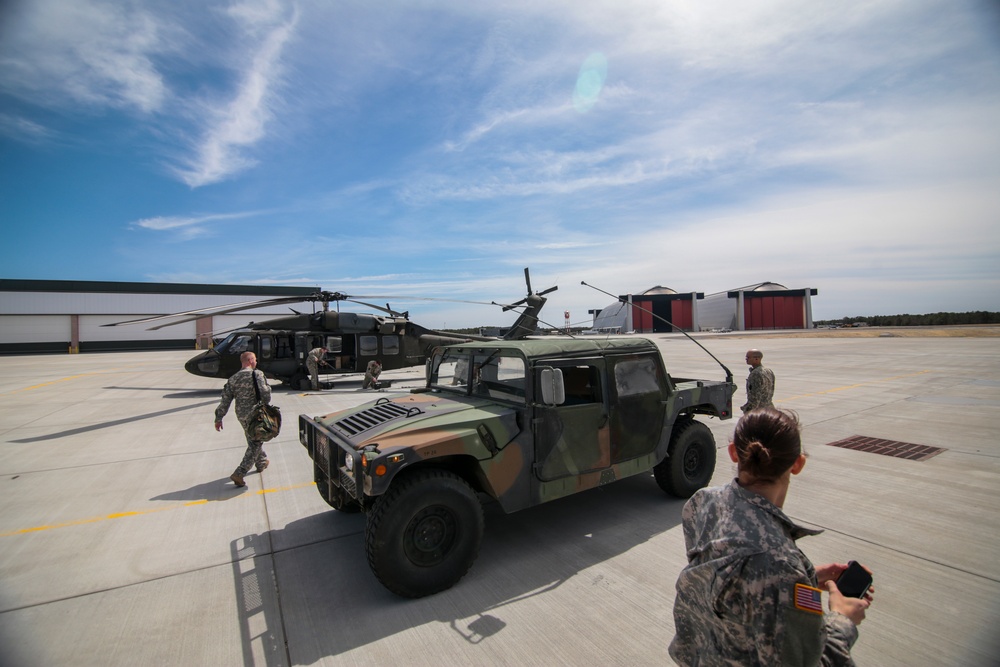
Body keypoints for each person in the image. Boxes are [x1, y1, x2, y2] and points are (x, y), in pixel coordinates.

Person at [669, 409, 872, 666]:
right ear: (797, 464)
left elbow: (726, 572)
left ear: (733, 452)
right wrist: (843, 619)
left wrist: (809, 578)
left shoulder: (703, 503)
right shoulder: (781, 567)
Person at [215, 351, 271, 488]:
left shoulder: (233, 378)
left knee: (252, 438)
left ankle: (261, 461)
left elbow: (225, 400)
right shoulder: (257, 374)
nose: (256, 362)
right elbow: (265, 395)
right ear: (251, 360)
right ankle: (240, 472)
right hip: (255, 415)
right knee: (256, 442)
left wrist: (219, 417)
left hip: (241, 414)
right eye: (255, 360)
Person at [741, 348, 775, 413]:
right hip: (769, 409)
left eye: (748, 357)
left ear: (757, 359)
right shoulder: (769, 371)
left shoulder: (755, 374)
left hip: (758, 411)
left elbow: (755, 397)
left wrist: (749, 412)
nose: (746, 359)